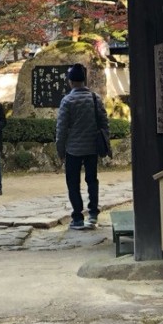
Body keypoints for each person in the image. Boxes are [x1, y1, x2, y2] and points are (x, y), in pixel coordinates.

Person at [55, 63, 109, 230]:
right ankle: (93, 214)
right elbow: (104, 122)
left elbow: (61, 129)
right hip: (92, 148)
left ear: (71, 82)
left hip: (73, 149)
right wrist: (104, 143)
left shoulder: (67, 101)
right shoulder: (95, 98)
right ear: (84, 80)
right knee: (92, 180)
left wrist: (60, 150)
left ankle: (77, 217)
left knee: (73, 182)